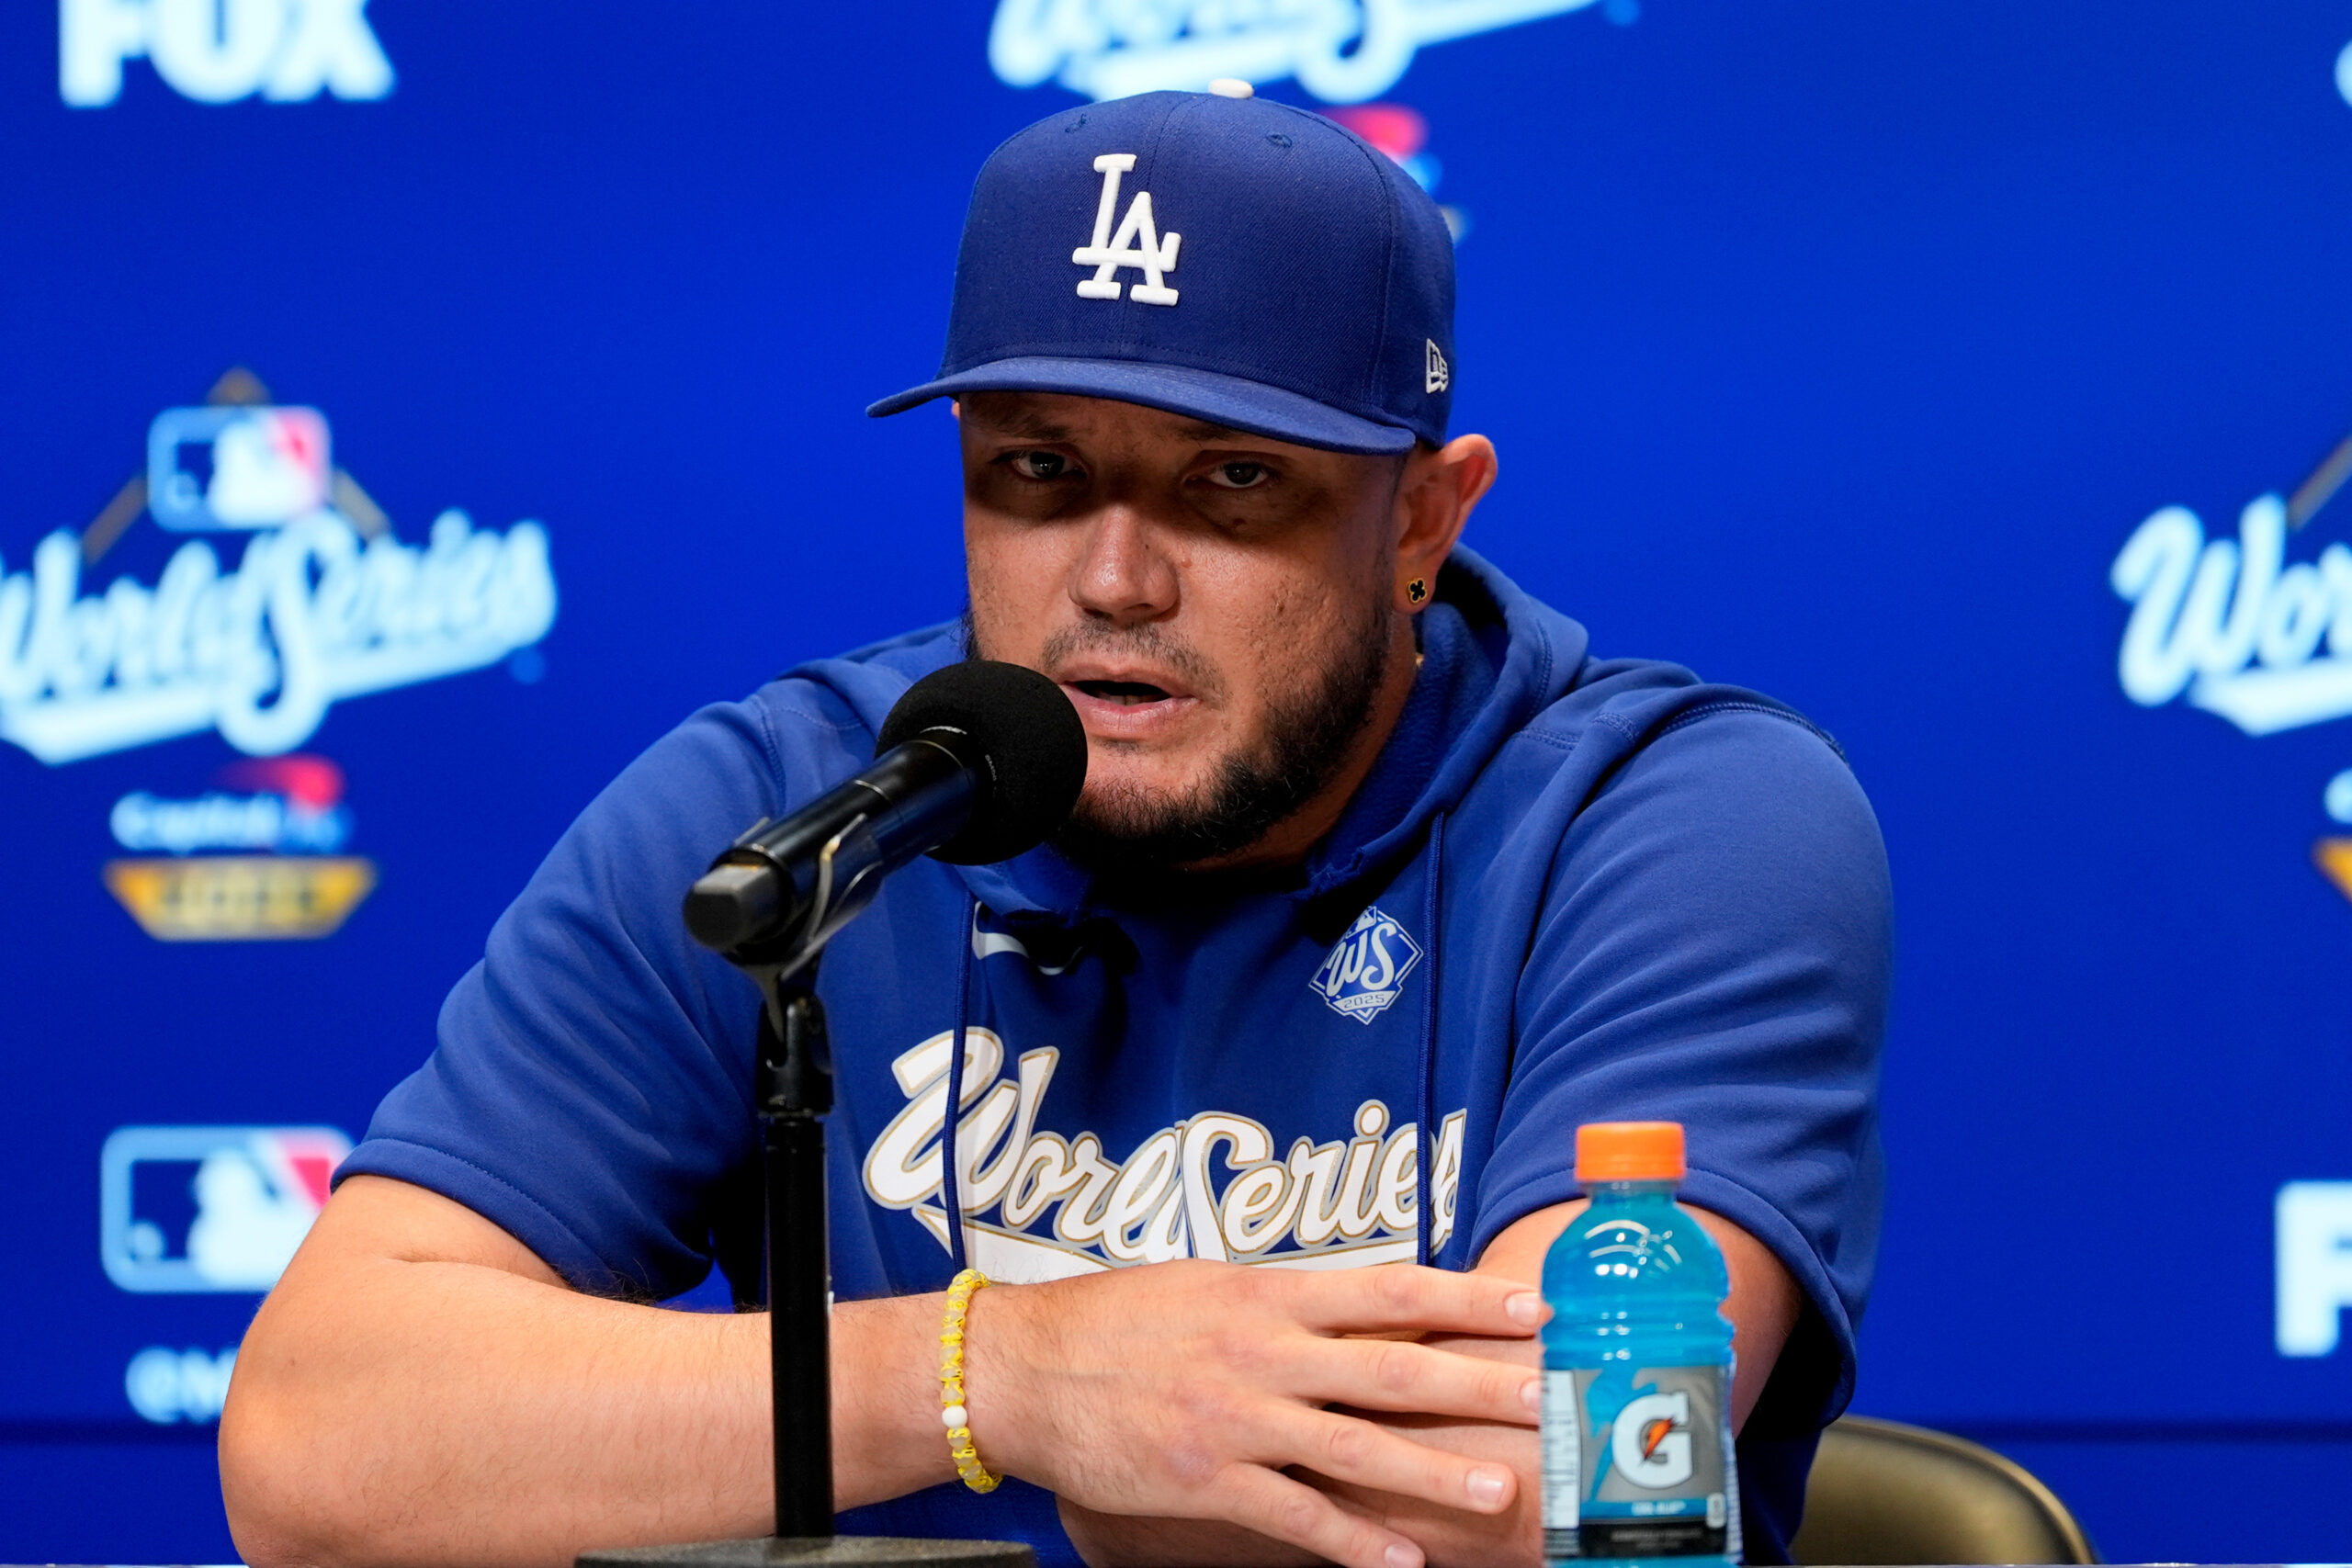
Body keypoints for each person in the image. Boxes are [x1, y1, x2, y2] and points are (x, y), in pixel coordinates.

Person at [220, 87, 1889, 1568]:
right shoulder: (793, 817)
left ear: (1426, 517)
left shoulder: (1667, 817)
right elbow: (319, 1444)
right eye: (1036, 470)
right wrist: (1002, 1378)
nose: (1112, 583)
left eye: (1232, 482)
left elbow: (1553, 1485)